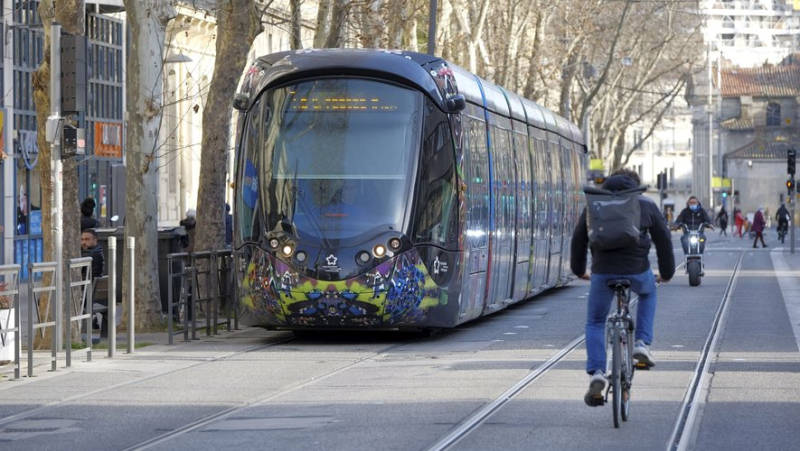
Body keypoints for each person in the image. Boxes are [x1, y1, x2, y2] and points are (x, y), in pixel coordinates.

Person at [570, 169, 675, 406]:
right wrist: (666, 273)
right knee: (648, 294)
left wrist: (579, 271)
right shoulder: (646, 205)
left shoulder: (594, 205)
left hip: (602, 272)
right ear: (635, 187)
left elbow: (578, 239)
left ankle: (597, 372)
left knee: (596, 321)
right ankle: (641, 344)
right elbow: (664, 241)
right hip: (637, 271)